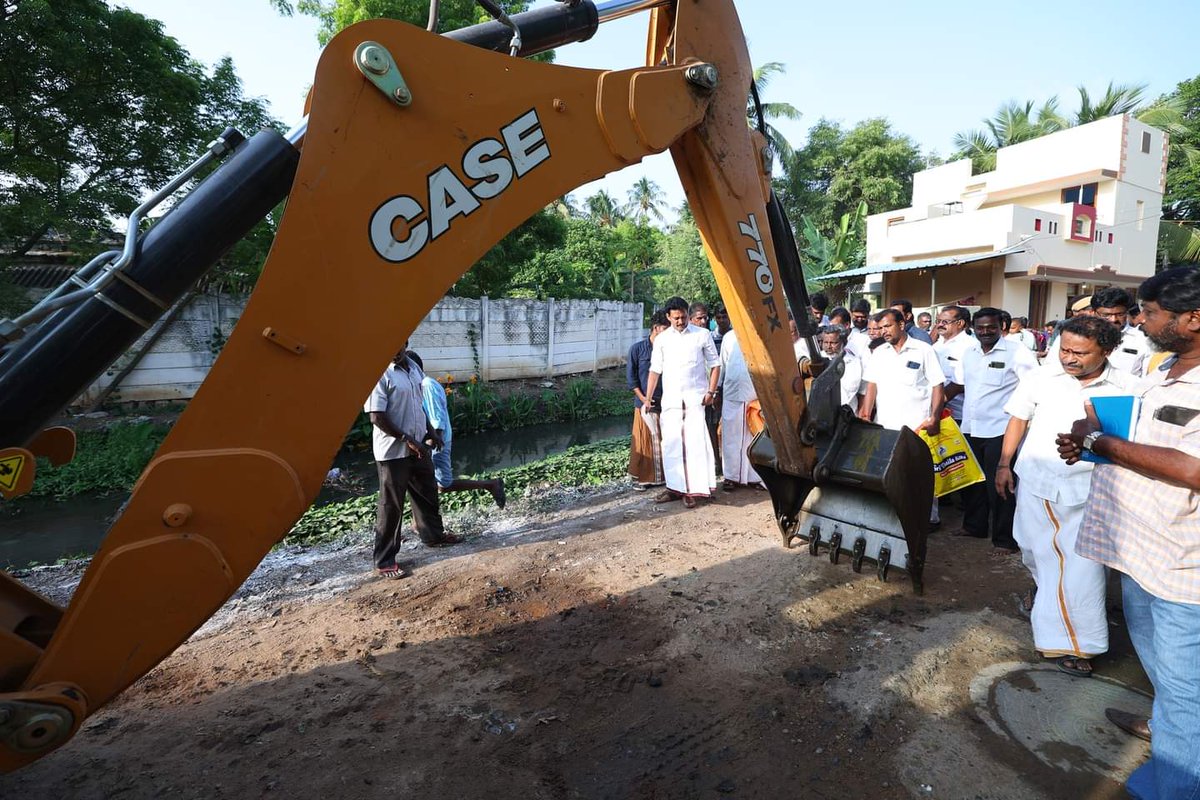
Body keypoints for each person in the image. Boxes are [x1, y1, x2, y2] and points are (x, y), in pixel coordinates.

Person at [1059, 266, 1200, 797]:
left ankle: (1177, 784)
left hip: (1184, 565)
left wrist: (1102, 444)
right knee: (1170, 681)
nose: (1140, 320)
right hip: (1140, 552)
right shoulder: (1164, 369)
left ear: (1194, 318)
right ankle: (1170, 749)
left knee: (1186, 688)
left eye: (1151, 312)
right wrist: (1087, 433)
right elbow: (1132, 432)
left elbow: (1194, 469)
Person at [997, 316, 1137, 675]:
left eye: (1080, 352)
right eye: (1065, 349)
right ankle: (1047, 600)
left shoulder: (1128, 386)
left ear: (1106, 351)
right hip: (1036, 481)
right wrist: (1003, 463)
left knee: (1080, 569)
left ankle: (1077, 644)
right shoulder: (1040, 377)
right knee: (1033, 551)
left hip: (1091, 490)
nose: (1069, 358)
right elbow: (1018, 419)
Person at [365, 344, 463, 579]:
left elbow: (419, 406)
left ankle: (434, 536)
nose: (394, 349)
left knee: (427, 492)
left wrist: (431, 432)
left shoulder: (413, 368)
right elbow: (376, 416)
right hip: (392, 452)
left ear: (406, 344)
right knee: (392, 505)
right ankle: (384, 559)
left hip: (418, 446)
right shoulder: (379, 373)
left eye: (398, 344)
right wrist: (406, 439)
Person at [956, 308, 1037, 550]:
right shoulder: (968, 353)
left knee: (1000, 485)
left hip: (1000, 429)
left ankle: (1004, 539)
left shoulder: (1017, 352)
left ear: (1001, 326)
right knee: (973, 482)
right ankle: (974, 526)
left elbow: (1033, 386)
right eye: (980, 327)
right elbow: (962, 386)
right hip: (970, 427)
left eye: (991, 327)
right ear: (973, 327)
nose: (985, 332)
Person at [858, 309, 945, 527]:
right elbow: (872, 385)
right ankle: (895, 514)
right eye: (880, 328)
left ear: (902, 324)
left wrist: (934, 416)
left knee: (921, 472)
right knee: (890, 471)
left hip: (918, 425)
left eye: (887, 326)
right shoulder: (879, 353)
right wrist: (866, 415)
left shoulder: (923, 350)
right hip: (886, 425)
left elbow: (937, 386)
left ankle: (929, 517)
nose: (883, 331)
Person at [645, 297, 720, 508]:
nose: (681, 321)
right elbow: (655, 370)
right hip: (671, 401)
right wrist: (649, 397)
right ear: (668, 317)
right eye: (676, 318)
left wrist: (711, 392)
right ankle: (674, 488)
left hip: (695, 400)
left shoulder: (702, 335)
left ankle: (694, 490)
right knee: (671, 444)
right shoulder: (661, 340)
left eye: (684, 317)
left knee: (695, 444)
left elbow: (715, 366)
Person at [407, 352, 505, 508]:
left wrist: (428, 446)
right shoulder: (420, 385)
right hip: (432, 440)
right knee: (429, 483)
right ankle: (418, 522)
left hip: (437, 441)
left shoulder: (427, 385)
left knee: (442, 484)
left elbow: (436, 420)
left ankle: (490, 484)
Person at [717, 326, 764, 490]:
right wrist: (716, 388)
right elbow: (722, 364)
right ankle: (730, 477)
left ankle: (754, 477)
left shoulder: (759, 334)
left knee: (752, 436)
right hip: (731, 393)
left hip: (753, 394)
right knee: (730, 436)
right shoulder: (729, 337)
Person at [627, 311, 669, 490]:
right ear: (656, 328)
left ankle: (665, 479)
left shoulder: (669, 348)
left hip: (665, 402)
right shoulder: (637, 349)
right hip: (644, 404)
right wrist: (644, 398)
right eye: (666, 329)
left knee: (664, 441)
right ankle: (643, 479)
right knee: (645, 442)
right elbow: (632, 379)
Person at [690, 301, 721, 471]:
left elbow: (715, 366)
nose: (703, 321)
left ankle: (716, 464)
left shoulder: (707, 336)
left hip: (709, 393)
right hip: (694, 395)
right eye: (699, 318)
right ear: (691, 319)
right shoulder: (688, 339)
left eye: (705, 318)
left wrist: (713, 391)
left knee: (712, 428)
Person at [1090, 287, 1149, 375]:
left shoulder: (1143, 340)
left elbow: (1146, 379)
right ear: (1093, 313)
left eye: (1120, 314)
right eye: (1106, 315)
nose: (1113, 319)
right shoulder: (1082, 337)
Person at [932, 305, 974, 426]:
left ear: (960, 323)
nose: (940, 325)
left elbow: (959, 384)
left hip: (958, 414)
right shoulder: (936, 345)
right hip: (937, 411)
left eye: (945, 322)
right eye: (938, 321)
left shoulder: (969, 346)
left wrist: (936, 403)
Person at [818, 324, 863, 413]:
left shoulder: (852, 361)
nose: (828, 346)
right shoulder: (818, 359)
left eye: (833, 343)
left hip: (844, 412)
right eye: (825, 342)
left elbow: (850, 389)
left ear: (844, 342)